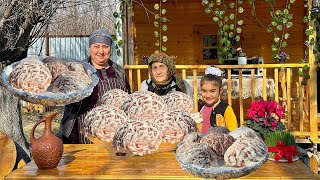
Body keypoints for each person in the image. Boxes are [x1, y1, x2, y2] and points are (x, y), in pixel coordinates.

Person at [60, 29, 131, 144]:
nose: (101, 51)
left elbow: (128, 102)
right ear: (90, 48)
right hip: (84, 135)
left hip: (114, 136)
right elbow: (66, 100)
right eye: (96, 46)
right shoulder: (79, 70)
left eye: (105, 46)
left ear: (110, 49)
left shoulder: (120, 72)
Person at [200, 66, 238, 133]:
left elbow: (233, 130)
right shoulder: (202, 108)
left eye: (212, 91)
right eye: (204, 91)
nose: (208, 95)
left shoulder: (225, 108)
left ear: (220, 91)